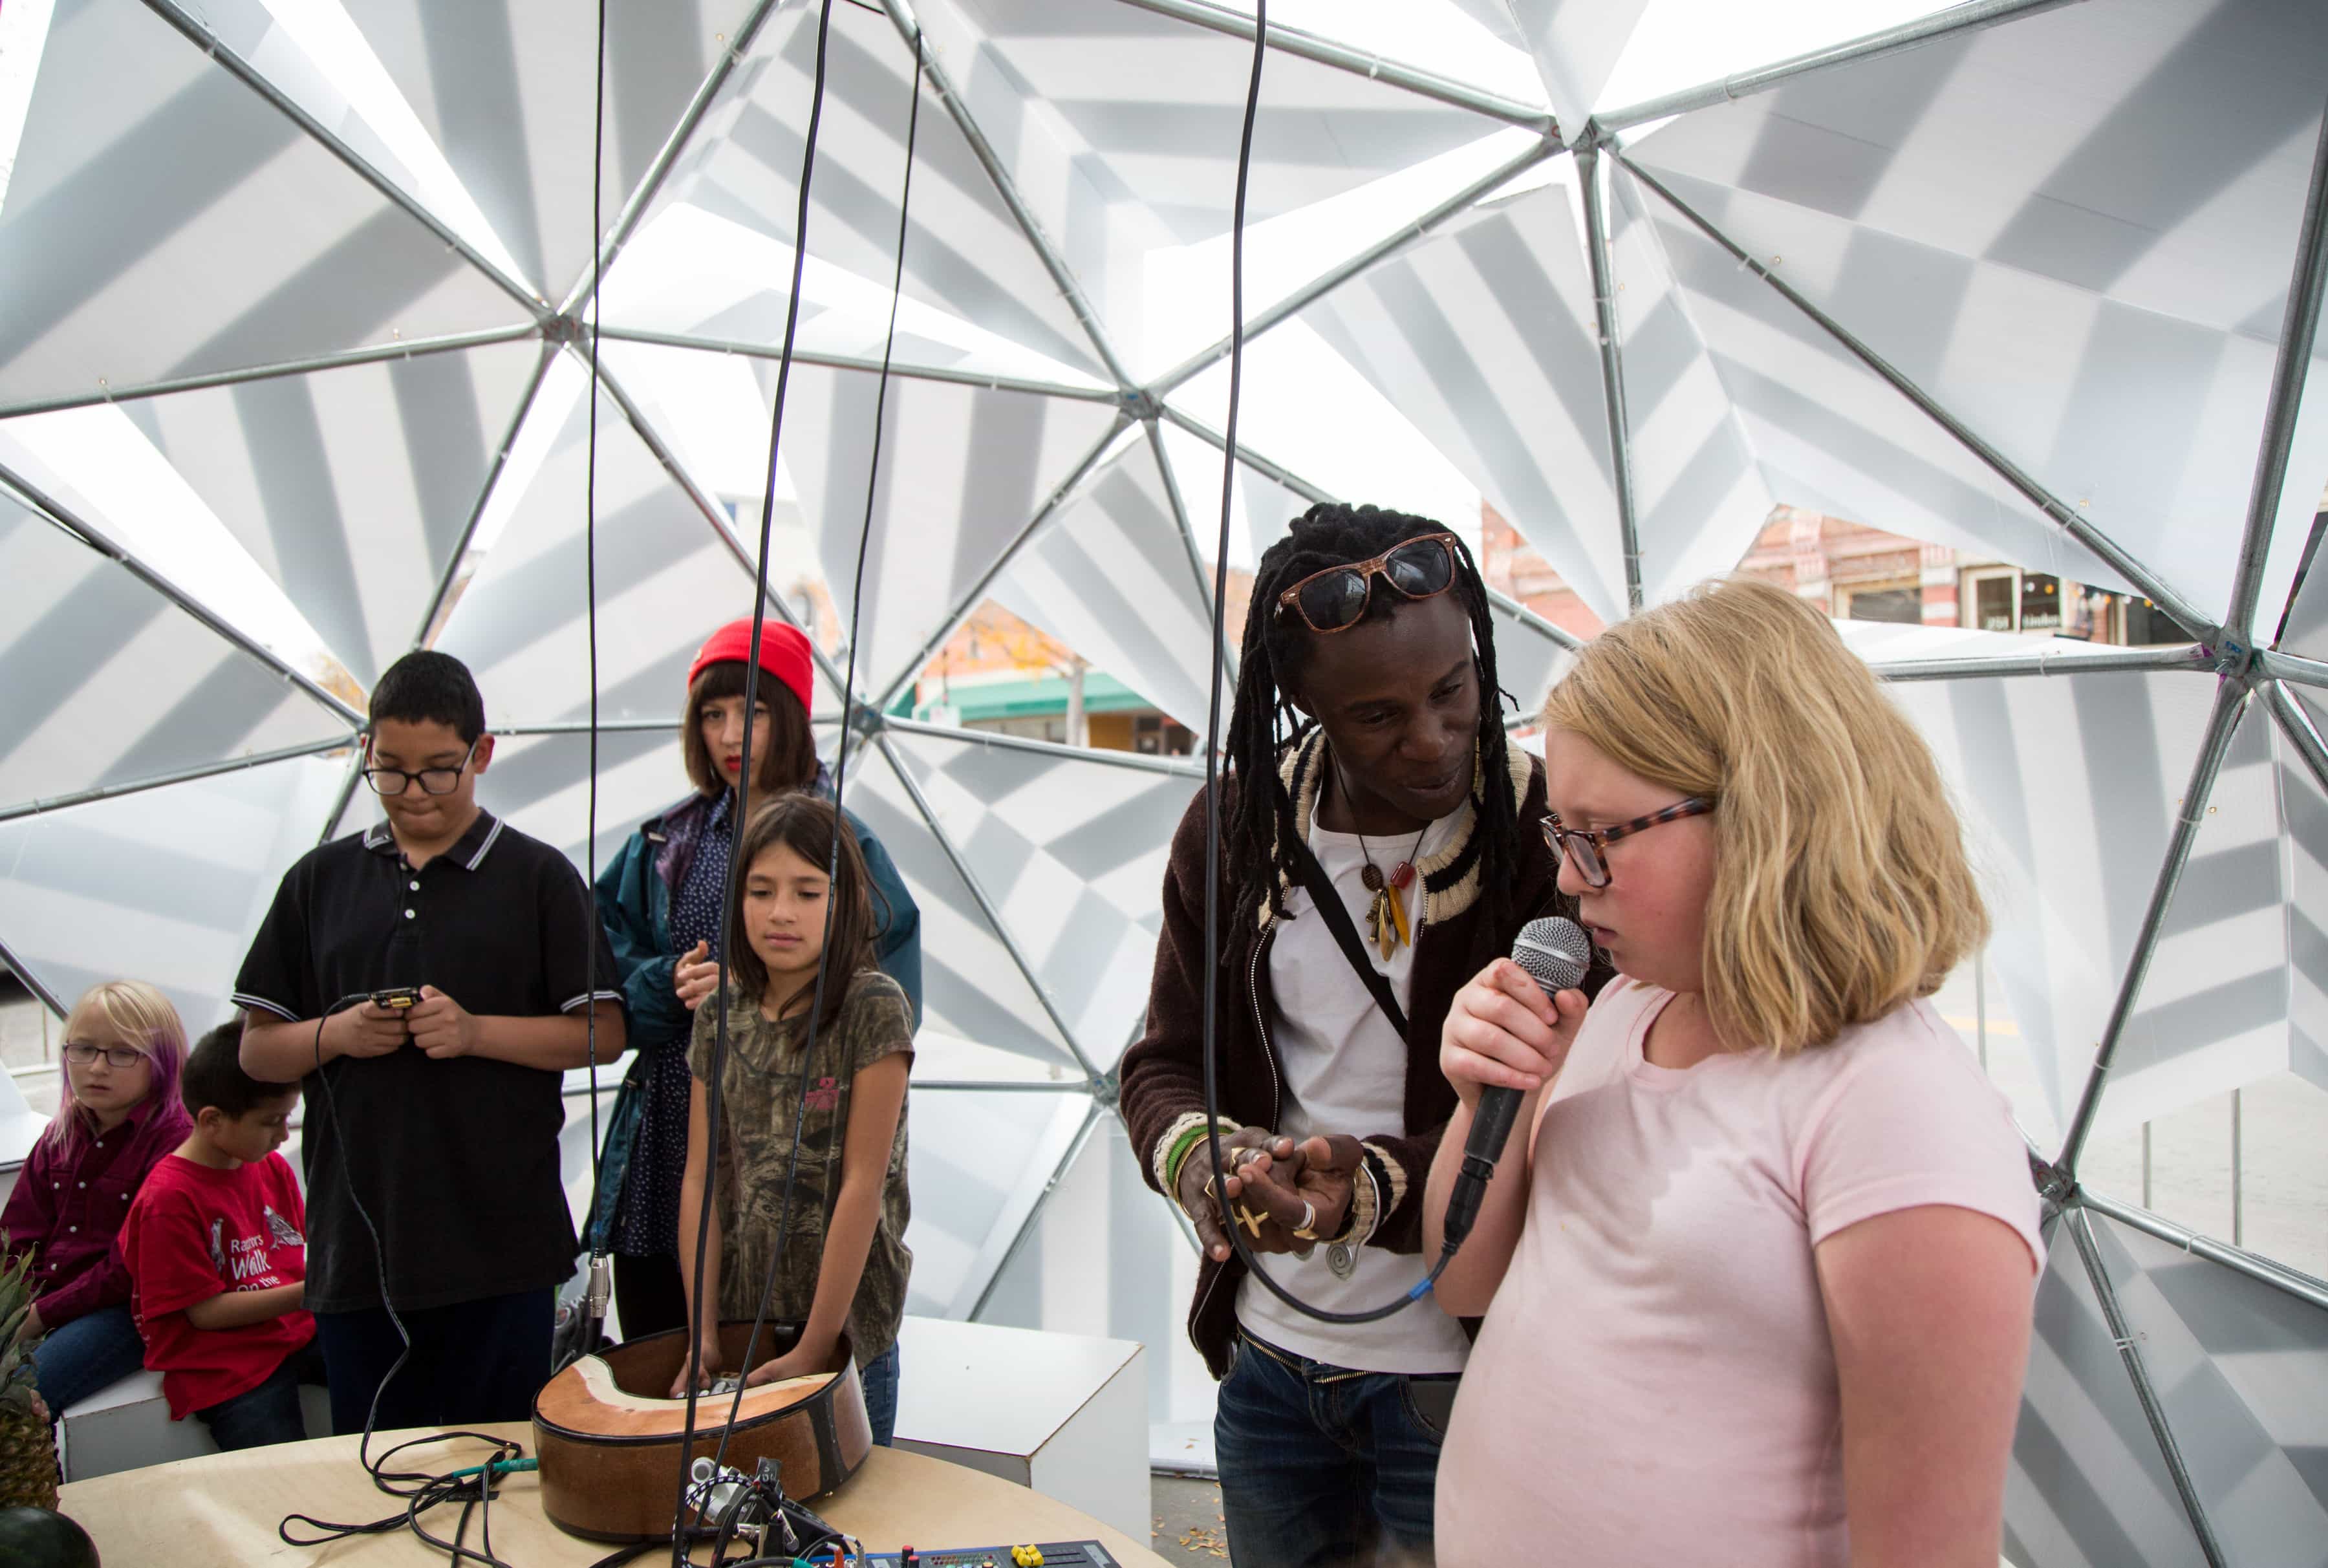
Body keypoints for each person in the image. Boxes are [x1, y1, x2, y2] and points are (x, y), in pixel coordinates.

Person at [1425, 577, 2041, 1565]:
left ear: (1767, 818)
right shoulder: (1625, 1008)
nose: (1569, 877)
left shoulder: (1899, 1110)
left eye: (1599, 836)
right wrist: (1491, 1102)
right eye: (1560, 836)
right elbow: (1465, 1278)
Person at [1119, 504, 1593, 1567]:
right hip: (1271, 1368)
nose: (1431, 737)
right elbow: (1163, 1063)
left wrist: (1361, 1190)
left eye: (1454, 689)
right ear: (1304, 704)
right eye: (1377, 716)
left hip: (1464, 1376)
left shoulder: (1550, 835)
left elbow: (1572, 1111)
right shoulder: (1235, 831)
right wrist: (1209, 1162)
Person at [232, 649, 625, 1435]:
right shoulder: (318, 880)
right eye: (391, 770)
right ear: (367, 751)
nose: (414, 792)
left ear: (482, 754)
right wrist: (338, 1033)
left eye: (440, 770)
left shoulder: (539, 877)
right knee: (371, 1472)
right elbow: (257, 1050)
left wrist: (474, 1032)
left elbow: (604, 1033)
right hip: (357, 1250)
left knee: (502, 1464)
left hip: (503, 1247)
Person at [593, 618, 920, 1341]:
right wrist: (664, 982)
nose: (731, 735)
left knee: (785, 1345)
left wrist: (777, 1018)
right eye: (712, 715)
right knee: (666, 1346)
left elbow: (886, 1002)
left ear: (794, 716)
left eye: (753, 712)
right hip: (672, 1125)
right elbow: (596, 964)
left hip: (797, 1137)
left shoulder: (845, 841)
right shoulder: (666, 841)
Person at [667, 793, 914, 1448]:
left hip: (846, 1339)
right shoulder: (719, 1013)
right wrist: (703, 1332)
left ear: (845, 901)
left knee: (845, 1507)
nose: (781, 911)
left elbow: (863, 1184)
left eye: (807, 891)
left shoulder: (872, 1007)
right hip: (741, 1325)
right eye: (761, 890)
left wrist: (816, 1347)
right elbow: (701, 1178)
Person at [118, 1018, 323, 1450]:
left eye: (287, 1118)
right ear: (212, 1120)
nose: (283, 1135)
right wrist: (318, 1288)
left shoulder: (270, 1166)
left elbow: (301, 1250)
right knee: (279, 1467)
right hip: (223, 1364)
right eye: (271, 1121)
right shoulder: (168, 1199)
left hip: (295, 1330)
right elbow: (206, 1313)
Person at [1, 981, 192, 1415]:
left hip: (127, 1311)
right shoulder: (60, 1135)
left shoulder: (174, 1142)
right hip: (48, 1302)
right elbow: (17, 1236)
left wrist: (37, 1316)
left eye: (122, 1053)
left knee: (19, 1392)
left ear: (162, 1061)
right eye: (84, 1049)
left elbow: (129, 1268)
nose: (97, 1067)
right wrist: (12, 1307)